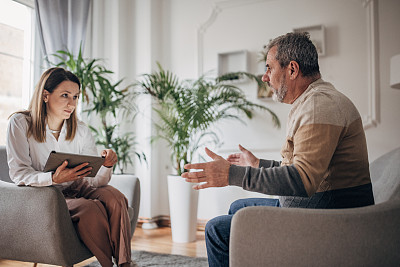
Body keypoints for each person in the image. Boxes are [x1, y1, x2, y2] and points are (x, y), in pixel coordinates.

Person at [182, 32, 374, 267]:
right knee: (236, 208)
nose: (264, 77)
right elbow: (307, 170)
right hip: (318, 208)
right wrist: (257, 164)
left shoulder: (318, 106)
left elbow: (303, 180)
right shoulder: (312, 101)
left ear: (292, 70)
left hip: (330, 221)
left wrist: (230, 175)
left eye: (269, 68)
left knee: (216, 231)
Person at [6, 67, 133, 267]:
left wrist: (105, 165)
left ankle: (125, 263)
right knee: (89, 208)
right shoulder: (21, 123)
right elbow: (19, 173)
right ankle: (108, 264)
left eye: (75, 96)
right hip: (46, 194)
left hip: (77, 187)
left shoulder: (80, 129)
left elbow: (95, 181)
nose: (71, 103)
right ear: (45, 95)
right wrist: (53, 179)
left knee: (116, 198)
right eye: (65, 95)